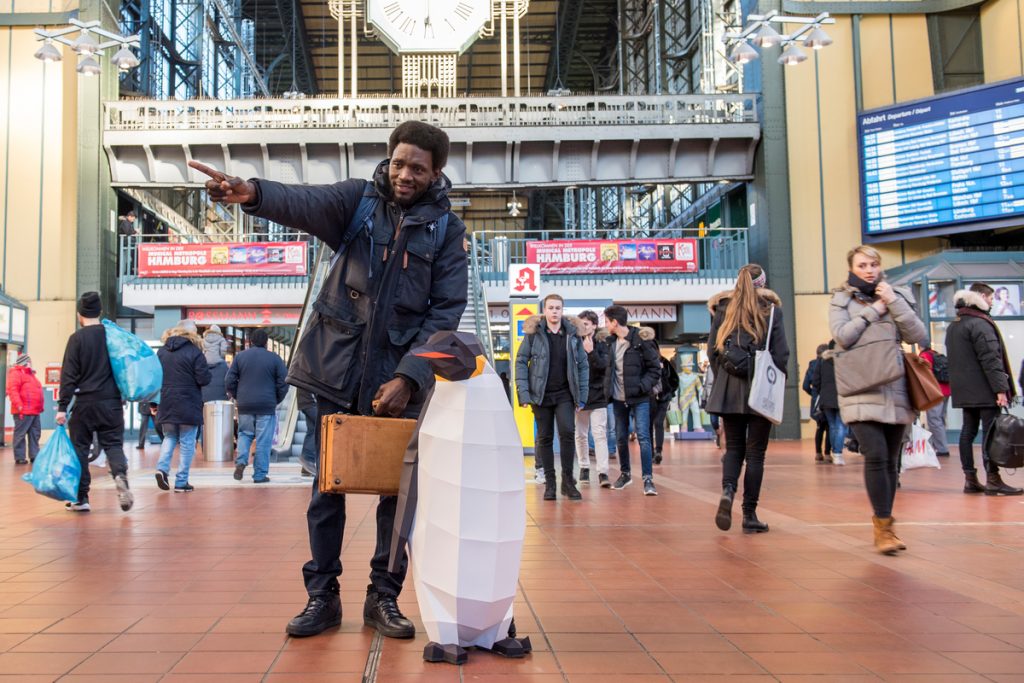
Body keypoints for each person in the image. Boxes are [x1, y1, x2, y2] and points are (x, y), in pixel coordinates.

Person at [190, 120, 468, 640]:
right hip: (332, 373)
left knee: (398, 497)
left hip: (397, 383)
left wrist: (409, 376)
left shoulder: (446, 231)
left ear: (436, 174)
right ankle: (322, 597)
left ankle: (382, 599)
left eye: (419, 169)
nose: (406, 175)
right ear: (390, 158)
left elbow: (446, 310)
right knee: (325, 490)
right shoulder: (357, 202)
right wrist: (252, 193)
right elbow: (302, 201)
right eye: (401, 162)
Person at [830, 246, 926, 554]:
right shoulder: (841, 299)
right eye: (862, 265)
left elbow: (916, 334)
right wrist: (875, 310)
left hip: (895, 388)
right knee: (875, 453)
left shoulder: (898, 295)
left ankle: (886, 526)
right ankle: (883, 527)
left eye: (873, 264)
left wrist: (893, 301)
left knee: (890, 460)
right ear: (852, 268)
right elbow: (842, 336)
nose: (869, 270)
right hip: (860, 387)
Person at [707, 264, 788, 533]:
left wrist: (726, 376)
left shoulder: (723, 309)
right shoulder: (771, 310)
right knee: (756, 455)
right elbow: (781, 353)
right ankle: (749, 514)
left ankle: (728, 491)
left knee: (734, 449)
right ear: (763, 283)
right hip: (760, 389)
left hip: (730, 390)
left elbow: (712, 351)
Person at [56, 292, 134, 513]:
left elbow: (68, 376)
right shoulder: (113, 336)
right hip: (111, 403)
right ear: (100, 312)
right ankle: (119, 475)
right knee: (113, 446)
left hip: (85, 404)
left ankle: (81, 498)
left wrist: (62, 407)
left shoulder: (77, 339)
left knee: (80, 449)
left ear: (80, 314)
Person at [946, 283, 1022, 496]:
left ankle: (970, 479)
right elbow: (991, 359)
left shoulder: (955, 324)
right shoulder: (980, 323)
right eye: (990, 298)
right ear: (980, 297)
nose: (991, 302)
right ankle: (993, 480)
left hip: (964, 391)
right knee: (992, 435)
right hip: (985, 389)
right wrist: (1001, 389)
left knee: (967, 433)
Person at [514, 294, 589, 500]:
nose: (554, 311)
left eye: (558, 308)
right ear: (544, 310)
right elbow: (521, 362)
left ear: (562, 310)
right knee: (545, 438)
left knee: (567, 432)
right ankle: (550, 483)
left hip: (565, 394)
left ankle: (567, 481)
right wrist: (524, 393)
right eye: (551, 308)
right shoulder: (533, 334)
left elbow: (583, 365)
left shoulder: (572, 335)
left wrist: (581, 396)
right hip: (541, 395)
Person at [603, 305, 661, 496]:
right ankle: (625, 474)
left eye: (606, 321)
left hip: (640, 398)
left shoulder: (640, 340)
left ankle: (648, 479)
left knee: (643, 437)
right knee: (620, 437)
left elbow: (655, 369)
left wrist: (641, 387)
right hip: (618, 400)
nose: (605, 324)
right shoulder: (610, 343)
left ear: (614, 322)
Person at [226, 328, 288, 484]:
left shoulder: (240, 357)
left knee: (245, 434)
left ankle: (241, 461)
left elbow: (229, 380)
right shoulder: (274, 358)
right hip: (266, 405)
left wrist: (237, 396)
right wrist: (276, 399)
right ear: (266, 342)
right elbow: (283, 383)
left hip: (245, 404)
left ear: (251, 341)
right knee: (263, 440)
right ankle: (259, 475)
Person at [155, 323, 212, 492]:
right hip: (188, 401)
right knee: (188, 442)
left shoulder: (162, 351)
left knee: (170, 437)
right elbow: (204, 379)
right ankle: (181, 481)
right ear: (192, 333)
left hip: (166, 400)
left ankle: (162, 468)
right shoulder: (195, 352)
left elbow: (156, 376)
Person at [574, 310, 611, 487]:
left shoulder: (603, 343)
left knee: (599, 433)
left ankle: (603, 472)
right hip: (579, 395)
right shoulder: (574, 342)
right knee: (580, 434)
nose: (583, 327)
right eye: (581, 324)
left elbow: (604, 367)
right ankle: (584, 467)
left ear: (595, 326)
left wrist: (590, 352)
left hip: (598, 395)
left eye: (586, 324)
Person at [6, 354, 43, 464]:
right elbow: (13, 390)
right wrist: (19, 405)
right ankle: (20, 457)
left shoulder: (31, 375)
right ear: (26, 362)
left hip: (35, 410)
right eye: (29, 361)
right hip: (23, 410)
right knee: (20, 434)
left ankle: (34, 456)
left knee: (35, 434)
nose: (31, 363)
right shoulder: (16, 373)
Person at [919, 344, 951, 458]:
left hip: (935, 392)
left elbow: (924, 375)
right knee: (940, 419)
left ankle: (942, 449)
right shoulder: (935, 354)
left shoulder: (924, 356)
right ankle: (936, 445)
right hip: (946, 391)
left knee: (934, 420)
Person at [818, 340, 846, 465]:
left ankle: (835, 452)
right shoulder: (843, 361)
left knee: (832, 426)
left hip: (826, 399)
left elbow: (816, 381)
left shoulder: (822, 362)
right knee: (840, 426)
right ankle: (838, 453)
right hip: (841, 396)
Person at [802, 344, 829, 463]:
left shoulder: (812, 364)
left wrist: (813, 394)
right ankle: (828, 453)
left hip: (816, 400)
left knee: (819, 427)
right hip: (828, 398)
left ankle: (818, 453)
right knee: (829, 427)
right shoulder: (828, 364)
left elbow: (805, 385)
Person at [651, 355, 680, 464]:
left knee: (658, 422)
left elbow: (675, 379)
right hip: (650, 397)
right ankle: (651, 452)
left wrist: (669, 391)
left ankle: (658, 450)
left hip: (664, 398)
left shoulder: (665, 362)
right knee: (650, 424)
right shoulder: (644, 360)